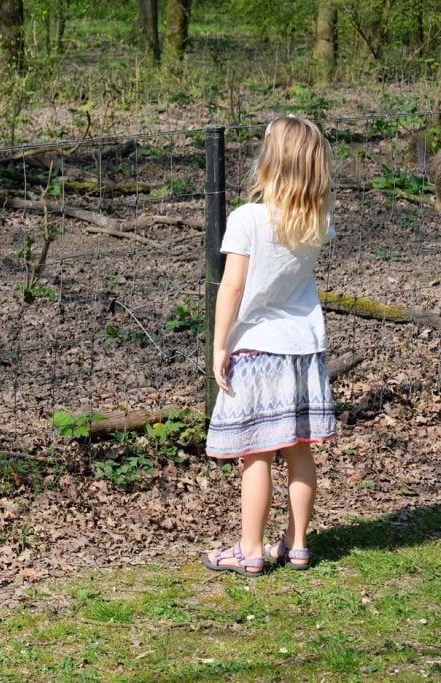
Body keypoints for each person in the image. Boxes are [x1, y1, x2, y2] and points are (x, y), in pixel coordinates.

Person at [202, 115, 337, 575]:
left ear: (270, 161)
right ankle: (297, 544)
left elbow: (232, 287)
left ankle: (250, 548)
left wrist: (220, 345)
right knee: (300, 448)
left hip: (257, 347)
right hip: (303, 346)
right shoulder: (316, 221)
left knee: (255, 452)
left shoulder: (247, 219)